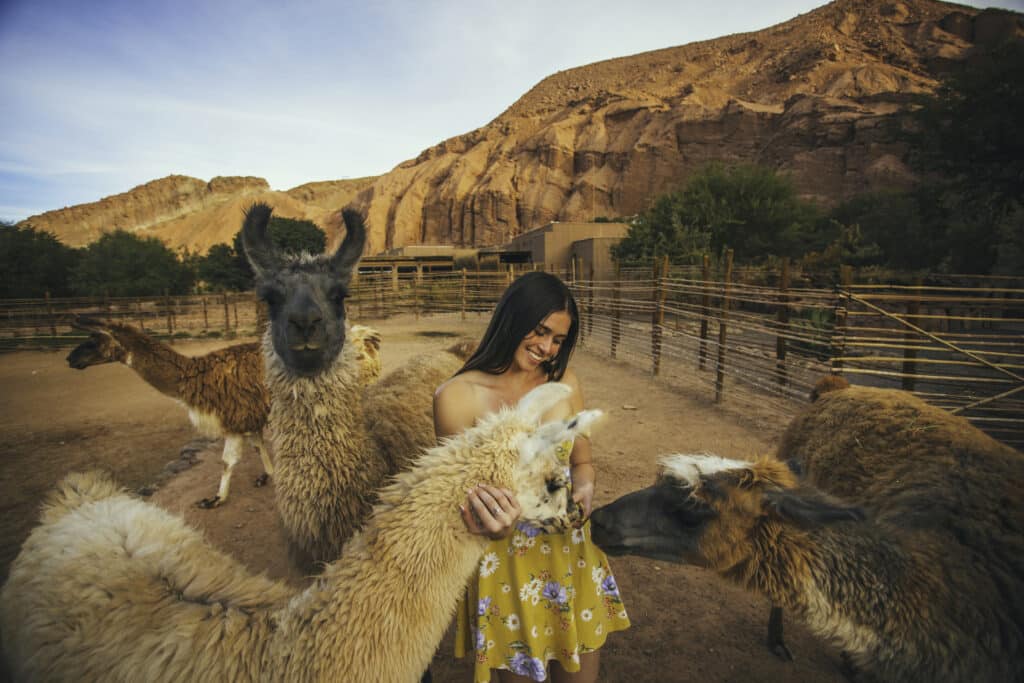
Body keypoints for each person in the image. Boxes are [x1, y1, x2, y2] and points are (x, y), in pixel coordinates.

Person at [434, 271, 630, 683]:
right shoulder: (456, 397)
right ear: (511, 318)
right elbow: (461, 503)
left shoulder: (566, 384)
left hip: (572, 555)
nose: (546, 348)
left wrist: (586, 487)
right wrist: (489, 525)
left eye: (558, 339)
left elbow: (582, 462)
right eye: (540, 331)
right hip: (508, 568)